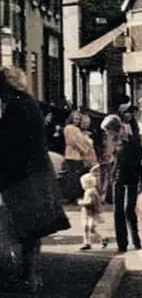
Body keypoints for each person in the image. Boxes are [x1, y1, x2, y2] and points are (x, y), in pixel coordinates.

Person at [0, 66, 71, 294]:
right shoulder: (28, 103)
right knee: (31, 230)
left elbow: (8, 144)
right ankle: (30, 277)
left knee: (19, 229)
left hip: (23, 178)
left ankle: (24, 277)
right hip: (35, 175)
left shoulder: (17, 107)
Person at [106, 112, 142, 253]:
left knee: (129, 210)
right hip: (117, 179)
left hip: (132, 177)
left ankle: (136, 240)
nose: (108, 134)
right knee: (118, 211)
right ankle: (122, 244)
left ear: (116, 129)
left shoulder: (133, 141)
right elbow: (111, 162)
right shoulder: (112, 143)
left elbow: (140, 161)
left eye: (109, 131)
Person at [76, 167, 109, 251]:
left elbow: (90, 202)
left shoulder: (90, 191)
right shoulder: (91, 191)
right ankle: (87, 243)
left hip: (90, 213)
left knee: (90, 228)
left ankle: (101, 239)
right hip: (89, 212)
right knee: (87, 228)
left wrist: (81, 202)